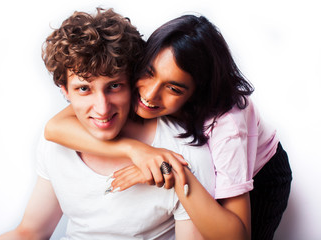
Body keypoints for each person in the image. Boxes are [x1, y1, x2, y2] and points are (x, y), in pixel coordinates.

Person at [45, 13, 292, 240]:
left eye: (173, 88)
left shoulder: (228, 124)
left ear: (197, 91)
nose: (150, 95)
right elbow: (54, 128)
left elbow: (236, 236)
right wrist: (137, 150)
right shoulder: (121, 87)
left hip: (263, 177)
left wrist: (172, 172)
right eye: (148, 73)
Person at [0, 8, 217, 240]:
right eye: (84, 89)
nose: (102, 108)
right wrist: (133, 149)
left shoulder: (182, 153)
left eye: (114, 86)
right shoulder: (56, 142)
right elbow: (30, 232)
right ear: (65, 91)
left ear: (132, 81)